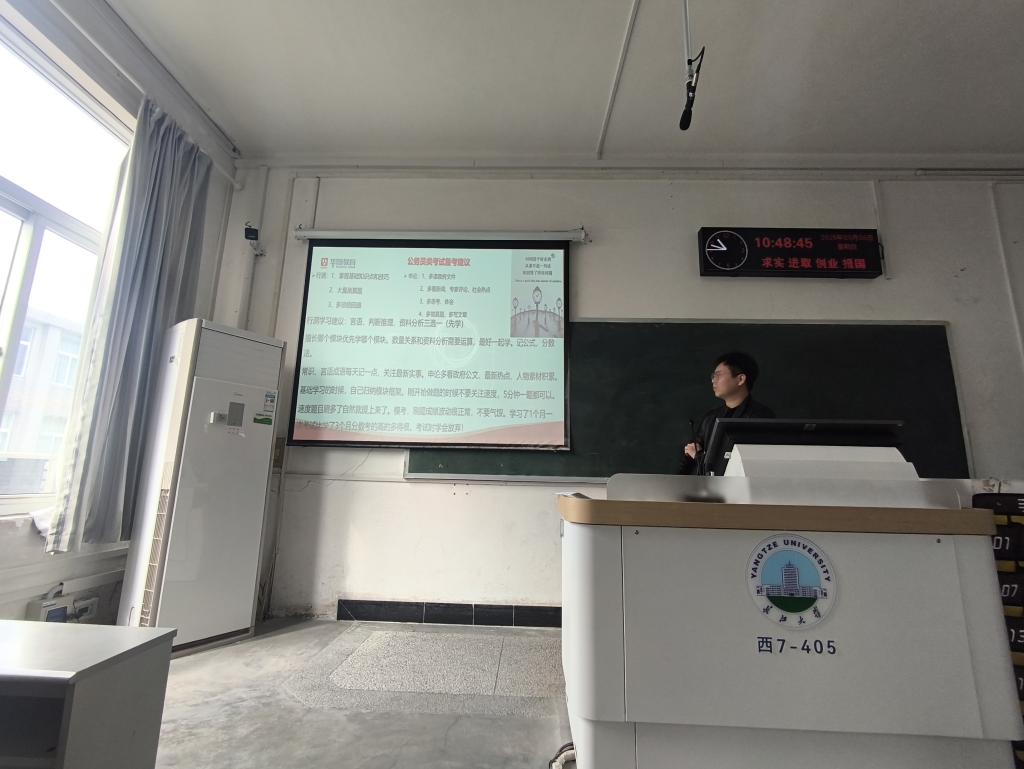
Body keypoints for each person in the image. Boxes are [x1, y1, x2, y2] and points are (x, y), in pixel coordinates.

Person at [681, 351, 775, 475]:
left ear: (740, 379)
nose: (713, 380)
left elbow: (752, 464)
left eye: (718, 375)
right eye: (713, 376)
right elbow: (689, 460)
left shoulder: (761, 417)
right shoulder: (710, 418)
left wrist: (699, 456)